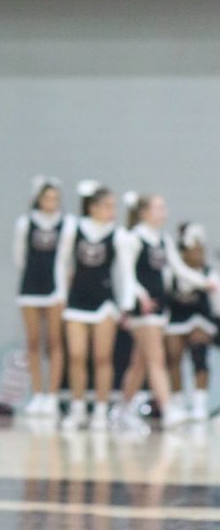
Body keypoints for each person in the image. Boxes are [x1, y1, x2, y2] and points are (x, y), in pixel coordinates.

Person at [119, 194, 215, 430]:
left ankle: (122, 409)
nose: (164, 211)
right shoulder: (132, 239)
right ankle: (169, 407)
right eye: (158, 207)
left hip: (159, 307)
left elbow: (179, 269)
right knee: (157, 359)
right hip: (144, 309)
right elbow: (127, 275)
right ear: (144, 212)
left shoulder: (163, 240)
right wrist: (139, 297)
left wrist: (205, 283)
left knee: (139, 363)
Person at [58, 183, 124, 432]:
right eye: (107, 206)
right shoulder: (73, 228)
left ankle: (100, 409)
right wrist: (61, 296)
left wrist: (124, 305)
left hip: (105, 301)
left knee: (102, 357)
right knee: (76, 356)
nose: (112, 211)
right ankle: (77, 408)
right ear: (92, 207)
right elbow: (62, 263)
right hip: (76, 301)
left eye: (114, 206)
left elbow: (124, 272)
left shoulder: (118, 234)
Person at [15, 177, 73, 419]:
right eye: (48, 198)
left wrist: (61, 292)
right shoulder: (25, 223)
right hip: (29, 288)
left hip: (54, 289)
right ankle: (37, 394)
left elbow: (64, 259)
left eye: (56, 198)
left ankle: (52, 395)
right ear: (38, 199)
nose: (52, 202)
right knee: (33, 342)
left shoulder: (67, 224)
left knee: (55, 342)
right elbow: (19, 257)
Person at [165, 222, 220, 422]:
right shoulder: (171, 275)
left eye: (201, 251)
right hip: (176, 320)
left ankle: (199, 402)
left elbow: (217, 307)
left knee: (199, 349)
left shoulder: (209, 275)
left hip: (201, 319)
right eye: (194, 251)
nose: (199, 255)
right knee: (173, 355)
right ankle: (177, 401)